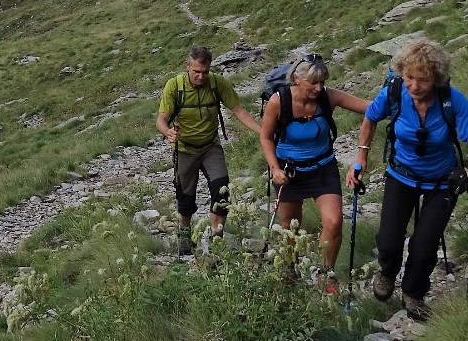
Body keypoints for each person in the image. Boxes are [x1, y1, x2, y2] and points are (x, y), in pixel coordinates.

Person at [355, 38, 468, 320]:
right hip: (402, 175)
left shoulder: (451, 100)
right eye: (409, 77)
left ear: (436, 78)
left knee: (424, 246)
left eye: (422, 80)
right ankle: (387, 272)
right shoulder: (395, 92)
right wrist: (361, 158)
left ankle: (413, 293)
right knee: (388, 241)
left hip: (441, 181)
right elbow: (371, 116)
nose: (414, 86)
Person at [258, 54, 369, 287]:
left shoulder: (328, 96)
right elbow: (266, 136)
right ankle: (291, 268)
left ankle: (325, 274)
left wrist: (398, 96)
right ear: (297, 78)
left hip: (322, 168)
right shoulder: (279, 101)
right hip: (290, 172)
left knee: (334, 221)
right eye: (313, 83)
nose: (319, 88)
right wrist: (274, 168)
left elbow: (370, 108)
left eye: (322, 81)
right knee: (290, 227)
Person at [156, 46, 261, 254]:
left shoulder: (217, 83)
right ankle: (185, 236)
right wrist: (167, 131)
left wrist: (262, 131)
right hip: (185, 149)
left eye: (205, 71)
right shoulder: (174, 86)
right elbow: (161, 118)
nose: (201, 76)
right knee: (185, 199)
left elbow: (238, 110)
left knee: (222, 191)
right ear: (187, 66)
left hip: (211, 147)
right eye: (196, 71)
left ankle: (216, 239)